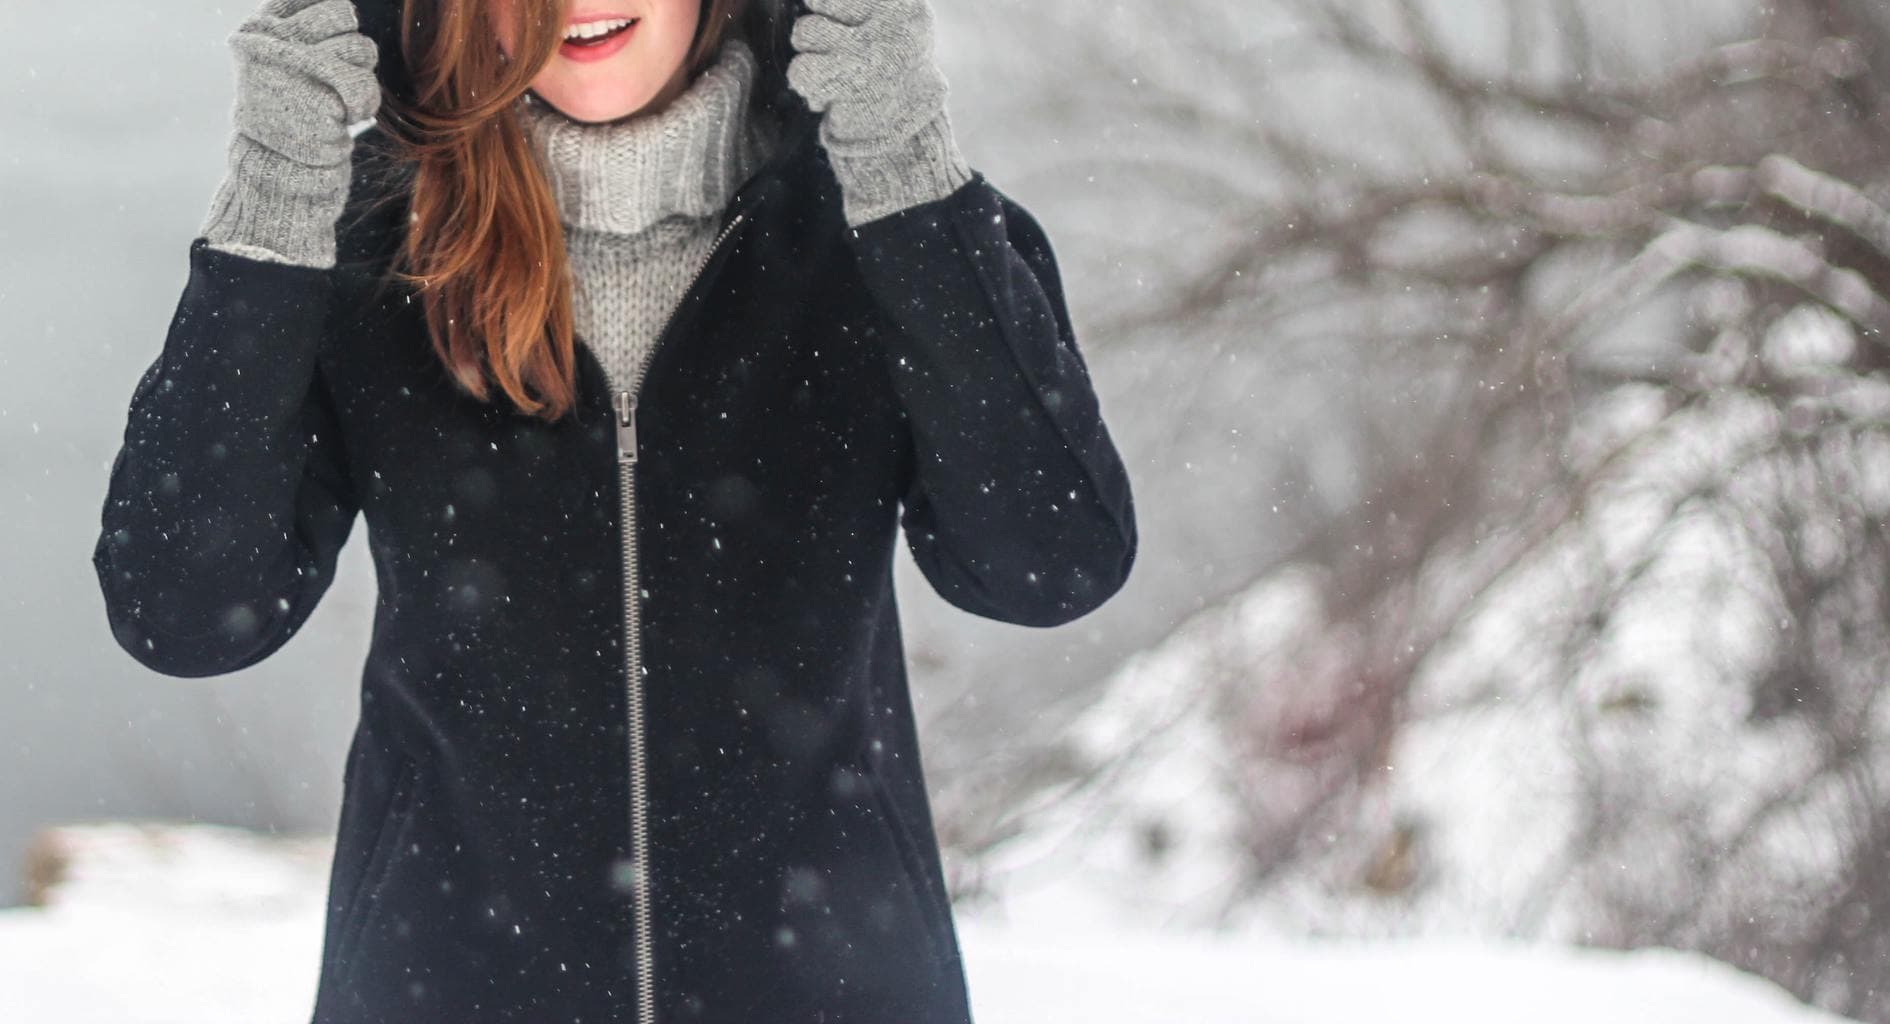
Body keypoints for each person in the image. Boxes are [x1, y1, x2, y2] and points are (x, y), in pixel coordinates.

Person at [90, 0, 1138, 1019]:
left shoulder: (884, 221)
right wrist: (276, 194)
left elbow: (1048, 563)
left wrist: (903, 158)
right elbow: (183, 610)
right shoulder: (373, 246)